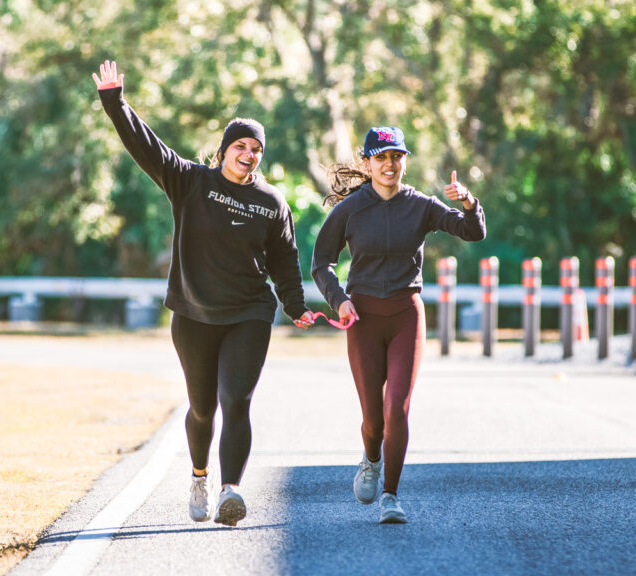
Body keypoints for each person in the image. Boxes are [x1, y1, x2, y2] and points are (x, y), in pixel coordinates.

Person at [93, 60, 315, 527]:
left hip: (249, 313)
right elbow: (147, 148)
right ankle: (199, 475)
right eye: (240, 145)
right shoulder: (190, 181)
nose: (249, 154)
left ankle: (231, 491)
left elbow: (284, 260)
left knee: (236, 400)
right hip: (194, 313)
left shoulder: (271, 202)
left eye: (256, 149)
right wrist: (115, 102)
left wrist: (295, 306)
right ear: (222, 151)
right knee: (201, 407)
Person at [311, 126, 486, 524]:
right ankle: (371, 458)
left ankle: (391, 494)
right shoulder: (351, 209)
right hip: (364, 319)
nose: (390, 165)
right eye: (382, 157)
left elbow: (471, 231)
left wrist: (470, 203)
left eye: (397, 157)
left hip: (407, 313)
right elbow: (321, 263)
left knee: (397, 410)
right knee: (373, 419)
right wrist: (340, 301)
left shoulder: (420, 205)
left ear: (404, 161)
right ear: (369, 162)